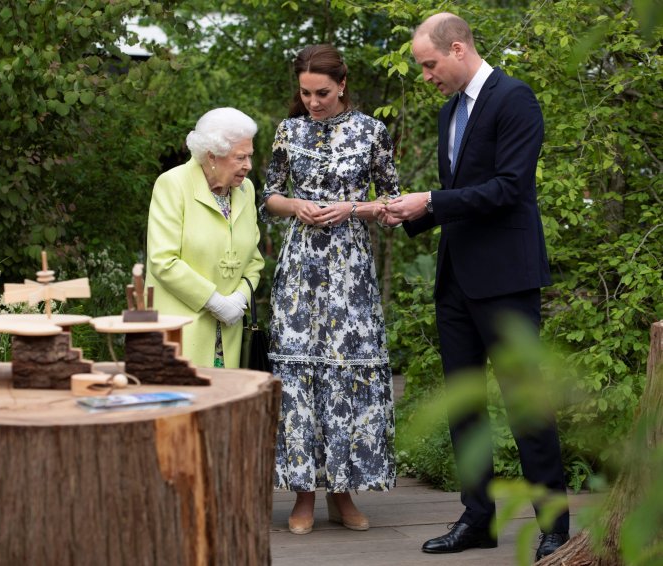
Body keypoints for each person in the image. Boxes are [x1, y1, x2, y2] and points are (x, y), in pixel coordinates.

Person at [379, 13, 570, 560]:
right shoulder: (448, 114)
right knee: (464, 406)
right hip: (456, 281)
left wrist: (432, 202)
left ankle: (555, 526)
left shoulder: (515, 99)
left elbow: (509, 189)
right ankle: (478, 519)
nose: (425, 75)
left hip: (507, 280)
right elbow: (460, 195)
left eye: (429, 64)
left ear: (458, 49)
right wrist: (409, 214)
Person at [261, 44, 399, 536]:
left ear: (342, 84)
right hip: (300, 270)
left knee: (345, 378)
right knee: (299, 380)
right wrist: (295, 205)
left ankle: (343, 493)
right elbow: (268, 195)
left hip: (350, 271)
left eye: (321, 92)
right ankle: (302, 496)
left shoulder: (371, 131)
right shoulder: (289, 131)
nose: (313, 101)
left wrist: (352, 209)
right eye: (305, 93)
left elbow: (394, 201)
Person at [146, 107, 264, 369]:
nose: (248, 166)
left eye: (249, 156)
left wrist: (239, 300)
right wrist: (214, 301)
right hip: (181, 330)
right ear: (212, 156)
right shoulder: (173, 184)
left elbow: (254, 261)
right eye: (240, 157)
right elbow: (163, 260)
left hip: (229, 334)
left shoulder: (246, 190)